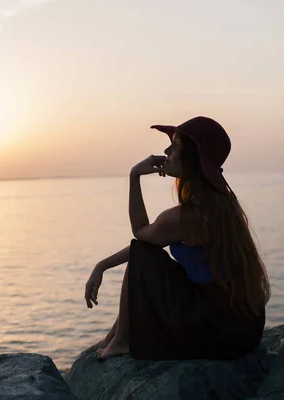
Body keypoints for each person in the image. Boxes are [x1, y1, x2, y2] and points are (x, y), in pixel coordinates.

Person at [83, 116, 271, 361]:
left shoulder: (184, 218)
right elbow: (145, 245)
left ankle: (122, 340)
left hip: (219, 333)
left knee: (144, 255)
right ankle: (117, 336)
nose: (167, 151)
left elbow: (140, 235)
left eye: (176, 146)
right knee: (146, 256)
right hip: (245, 328)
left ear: (192, 158)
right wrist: (103, 266)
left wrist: (134, 175)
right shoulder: (222, 204)